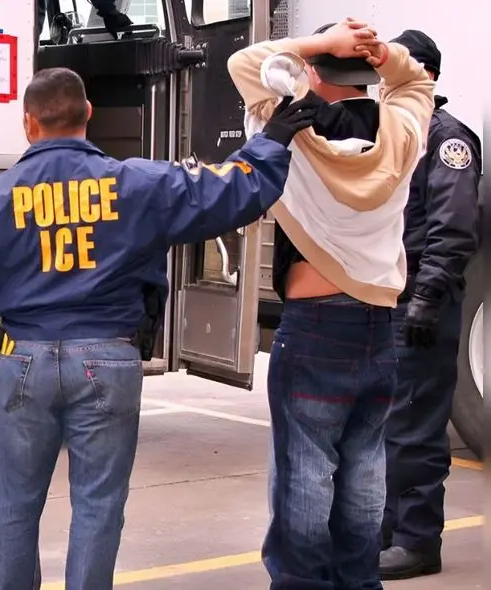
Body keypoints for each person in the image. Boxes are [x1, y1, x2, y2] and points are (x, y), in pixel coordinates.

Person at [0, 66, 318, 590]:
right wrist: (271, 143)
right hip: (109, 359)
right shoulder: (136, 184)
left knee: (14, 506)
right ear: (88, 114)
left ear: (28, 125)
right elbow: (229, 195)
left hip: (24, 359)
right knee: (98, 505)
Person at [226, 18, 436, 589]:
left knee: (305, 475)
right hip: (376, 324)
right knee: (366, 474)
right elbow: (414, 84)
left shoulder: (290, 127)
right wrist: (379, 51)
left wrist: (321, 43)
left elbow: (244, 63)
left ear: (314, 70)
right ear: (367, 76)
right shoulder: (402, 131)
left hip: (314, 324)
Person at [380, 30, 482, 581]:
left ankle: (418, 540)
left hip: (424, 299)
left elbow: (454, 226)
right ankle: (388, 527)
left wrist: (426, 297)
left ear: (427, 74)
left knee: (415, 423)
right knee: (387, 421)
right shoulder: (398, 133)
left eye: (397, 64)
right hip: (391, 296)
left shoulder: (446, 139)